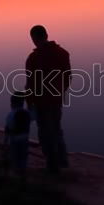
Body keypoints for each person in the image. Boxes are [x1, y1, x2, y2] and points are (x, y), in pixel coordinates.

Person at [25, 25, 71, 174]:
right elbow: (68, 77)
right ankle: (63, 160)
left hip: (41, 102)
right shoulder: (63, 53)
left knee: (45, 133)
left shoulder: (33, 58)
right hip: (56, 99)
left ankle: (52, 166)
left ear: (34, 38)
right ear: (46, 35)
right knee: (57, 129)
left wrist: (29, 103)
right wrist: (60, 91)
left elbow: (30, 83)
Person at [4, 91, 31, 178]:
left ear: (12, 103)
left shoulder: (11, 114)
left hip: (14, 139)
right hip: (25, 138)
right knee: (23, 156)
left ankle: (16, 173)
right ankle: (23, 171)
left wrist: (5, 142)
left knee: (14, 156)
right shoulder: (27, 113)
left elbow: (8, 128)